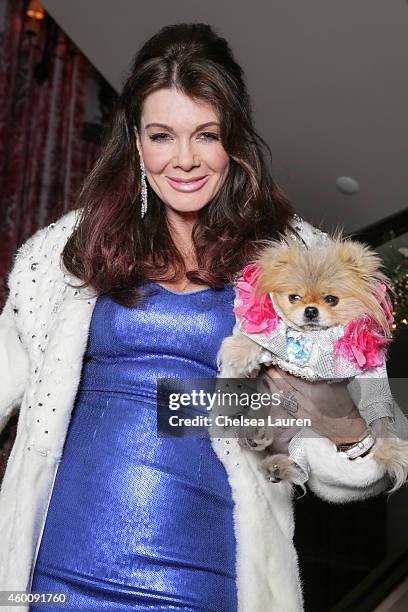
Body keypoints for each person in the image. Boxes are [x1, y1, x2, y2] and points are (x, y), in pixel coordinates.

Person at [1, 22, 407, 612]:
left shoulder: (305, 263)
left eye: (206, 135)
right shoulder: (70, 250)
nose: (184, 160)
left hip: (206, 581)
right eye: (162, 135)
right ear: (136, 142)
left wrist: (338, 416)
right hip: (58, 571)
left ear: (234, 140)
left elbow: (365, 461)